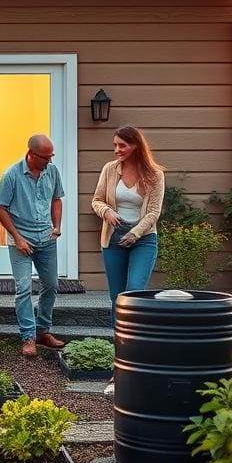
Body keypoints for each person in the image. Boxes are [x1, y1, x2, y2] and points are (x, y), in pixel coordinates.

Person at [91, 125, 165, 395]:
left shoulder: (154, 175)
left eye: (122, 145)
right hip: (113, 238)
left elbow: (154, 212)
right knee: (117, 300)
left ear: (135, 145)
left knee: (133, 295)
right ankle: (118, 372)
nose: (117, 150)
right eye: (115, 146)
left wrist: (135, 233)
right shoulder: (110, 169)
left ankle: (138, 363)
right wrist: (107, 212)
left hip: (143, 239)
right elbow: (96, 200)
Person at [0, 133, 66, 357]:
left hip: (46, 238)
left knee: (51, 285)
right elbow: (1, 207)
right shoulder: (11, 175)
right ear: (31, 154)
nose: (49, 161)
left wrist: (56, 226)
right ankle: (28, 337)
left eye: (51, 156)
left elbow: (56, 199)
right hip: (21, 241)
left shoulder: (52, 172)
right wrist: (17, 238)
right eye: (46, 157)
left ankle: (43, 331)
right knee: (23, 288)